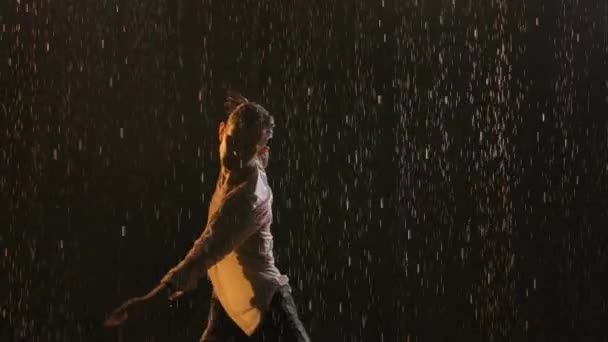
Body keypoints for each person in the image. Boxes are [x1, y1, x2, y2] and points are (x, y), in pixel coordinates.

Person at [104, 92, 311, 341]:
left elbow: (205, 251)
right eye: (232, 141)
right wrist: (247, 110)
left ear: (258, 151)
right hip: (226, 302)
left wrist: (150, 300)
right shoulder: (236, 162)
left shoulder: (249, 198)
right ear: (221, 131)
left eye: (246, 148)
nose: (235, 153)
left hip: (266, 309)